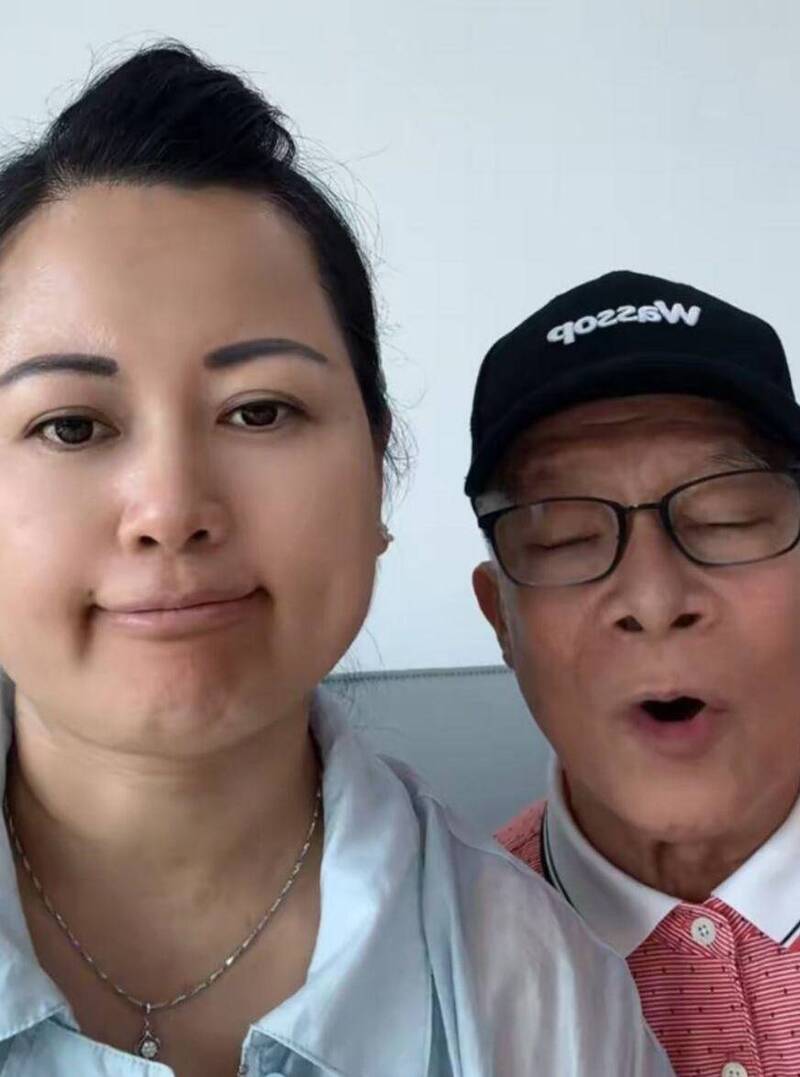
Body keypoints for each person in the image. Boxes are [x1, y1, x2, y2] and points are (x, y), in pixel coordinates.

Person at [0, 46, 671, 1077]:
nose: (171, 511)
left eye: (260, 411)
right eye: (72, 426)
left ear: (376, 473)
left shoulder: (543, 992)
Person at [467, 268, 800, 1077]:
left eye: (727, 518)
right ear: (500, 618)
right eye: (565, 536)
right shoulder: (433, 969)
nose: (653, 599)